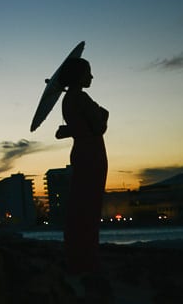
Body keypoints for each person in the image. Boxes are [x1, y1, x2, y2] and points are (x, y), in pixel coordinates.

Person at [55, 57, 108, 281]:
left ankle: (78, 254)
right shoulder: (81, 97)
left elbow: (76, 127)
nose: (91, 77)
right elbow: (98, 126)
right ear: (78, 76)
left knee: (81, 203)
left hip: (81, 150)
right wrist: (103, 114)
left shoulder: (67, 99)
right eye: (88, 72)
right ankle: (87, 258)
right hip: (91, 153)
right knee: (89, 204)